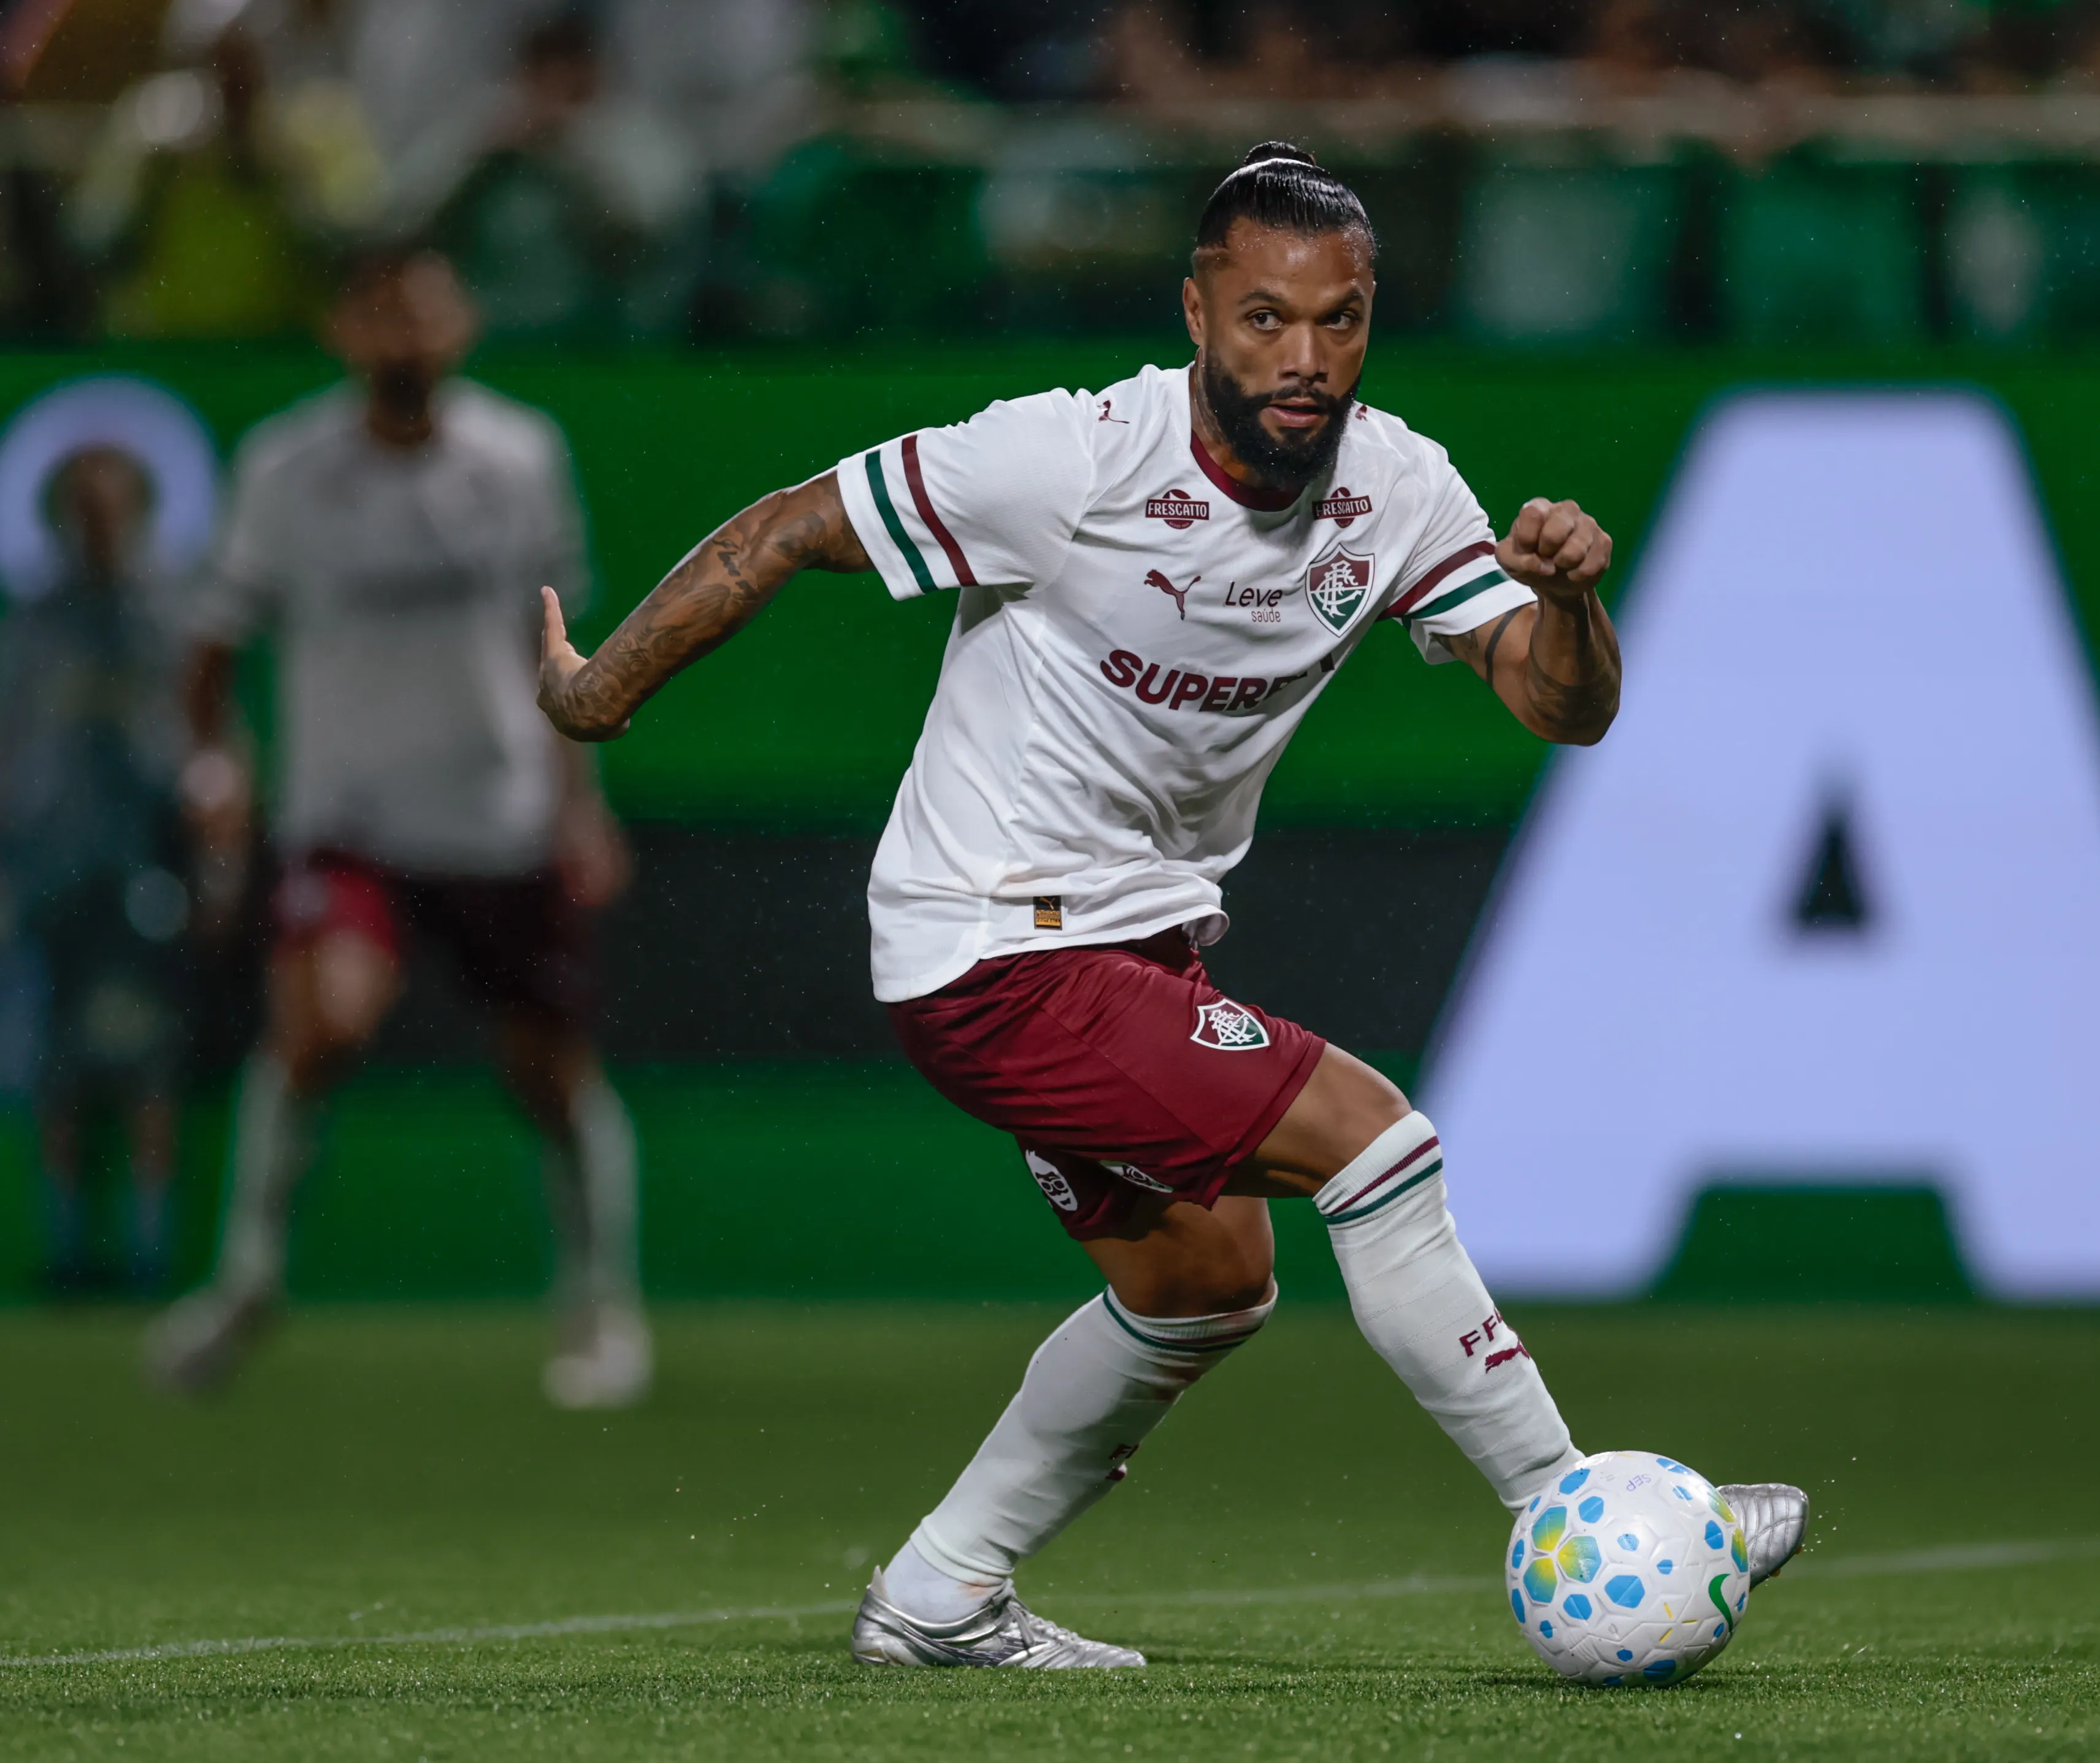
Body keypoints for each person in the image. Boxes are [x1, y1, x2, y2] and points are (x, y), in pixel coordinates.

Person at [538, 144, 1811, 1668]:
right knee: (1376, 1144)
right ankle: (1580, 1511)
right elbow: (785, 528)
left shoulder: (1397, 490)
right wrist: (597, 696)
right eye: (1265, 319)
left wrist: (1576, 606)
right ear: (1198, 310)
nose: (1304, 360)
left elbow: (1558, 707)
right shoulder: (1063, 463)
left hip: (1118, 946)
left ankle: (941, 1596)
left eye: (1338, 322)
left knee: (1202, 1286)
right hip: (993, 942)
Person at [147, 248, 646, 1408]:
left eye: (425, 309)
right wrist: (216, 765)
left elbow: (560, 652)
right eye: (380, 312)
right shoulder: (284, 467)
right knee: (321, 1024)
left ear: (462, 322)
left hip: (501, 817)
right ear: (341, 330)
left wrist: (584, 806)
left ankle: (599, 1305)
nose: (404, 333)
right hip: (350, 819)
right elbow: (213, 652)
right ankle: (247, 1279)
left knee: (549, 1073)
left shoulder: (520, 456)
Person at [0, 446, 191, 1293]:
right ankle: (69, 1248)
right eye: (82, 506)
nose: (97, 524)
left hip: (149, 862)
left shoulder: (174, 617)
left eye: (111, 506)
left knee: (151, 1063)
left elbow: (210, 741)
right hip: (53, 865)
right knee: (59, 1069)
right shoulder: (34, 622)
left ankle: (150, 1250)